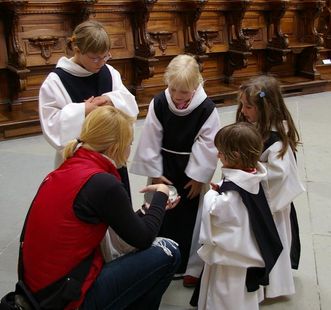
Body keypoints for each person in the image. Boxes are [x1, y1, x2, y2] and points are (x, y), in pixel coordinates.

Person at [21, 106, 181, 310]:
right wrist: (161, 194)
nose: (129, 150)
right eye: (129, 144)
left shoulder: (69, 166)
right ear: (116, 147)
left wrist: (148, 210)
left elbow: (119, 225)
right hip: (68, 298)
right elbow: (143, 238)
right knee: (169, 250)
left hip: (39, 289)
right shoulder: (102, 183)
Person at [130, 54, 220, 286]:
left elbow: (208, 144)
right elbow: (151, 135)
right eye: (174, 90)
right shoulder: (159, 102)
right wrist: (155, 171)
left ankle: (189, 265)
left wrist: (199, 177)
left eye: (185, 92)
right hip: (163, 166)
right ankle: (156, 259)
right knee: (161, 212)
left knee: (190, 218)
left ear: (197, 85)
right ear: (167, 83)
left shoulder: (207, 109)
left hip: (191, 171)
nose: (178, 97)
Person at [197, 122, 283, 310]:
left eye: (220, 151)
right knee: (242, 297)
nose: (217, 155)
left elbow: (216, 212)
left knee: (224, 295)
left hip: (231, 257)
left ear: (235, 155)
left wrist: (212, 194)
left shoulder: (234, 193)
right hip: (247, 252)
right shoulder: (252, 178)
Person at [236, 75, 305, 299]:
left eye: (249, 107)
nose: (244, 111)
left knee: (268, 240)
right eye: (242, 105)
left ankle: (273, 286)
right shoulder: (255, 125)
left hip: (270, 206)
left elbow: (279, 176)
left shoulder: (276, 142)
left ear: (265, 108)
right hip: (255, 196)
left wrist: (249, 170)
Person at [39, 20, 138, 167]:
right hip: (79, 162)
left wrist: (111, 99)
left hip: (112, 155)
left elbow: (130, 104)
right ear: (77, 50)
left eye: (105, 56)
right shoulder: (56, 81)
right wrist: (83, 110)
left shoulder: (109, 72)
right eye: (95, 58)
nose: (101, 63)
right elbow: (51, 125)